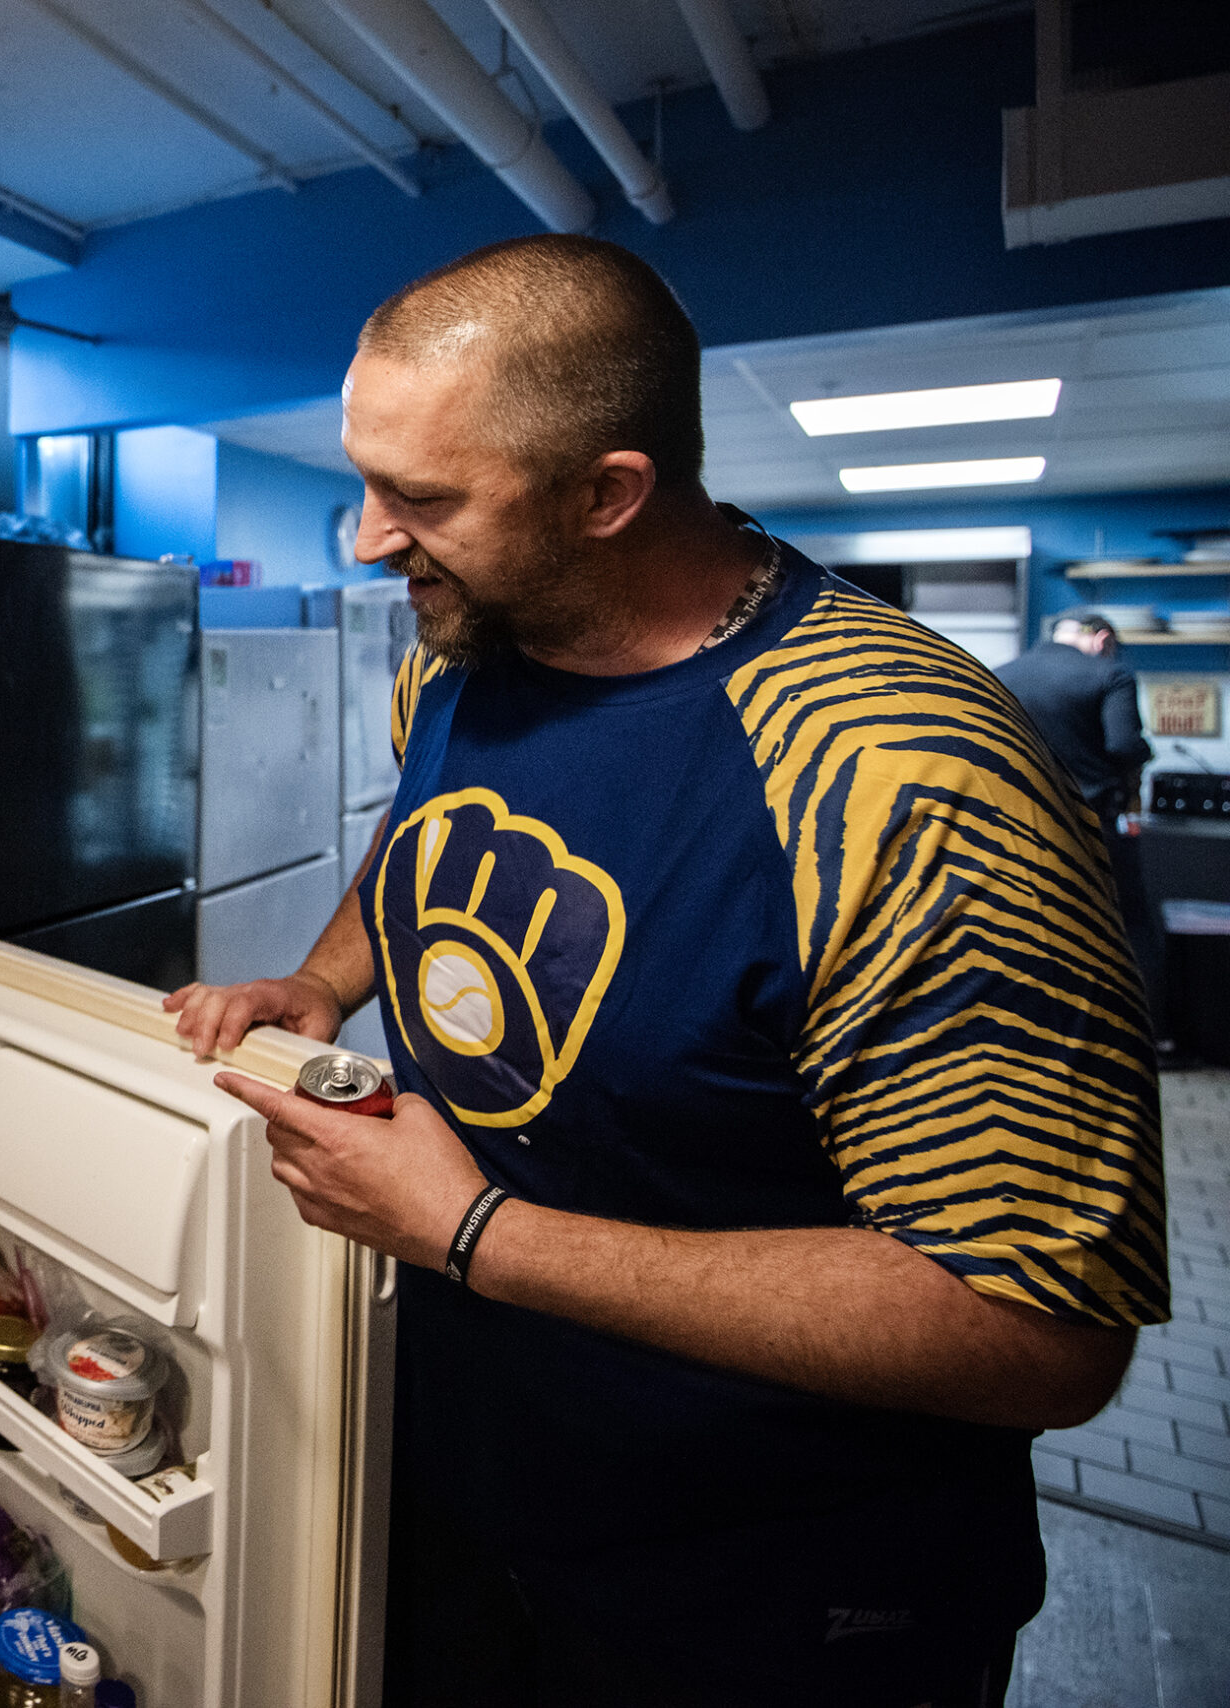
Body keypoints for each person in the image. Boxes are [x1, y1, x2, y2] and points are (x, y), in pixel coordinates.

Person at [163, 235, 1165, 1708]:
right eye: (366, 482)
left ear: (607, 495)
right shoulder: (461, 650)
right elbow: (428, 838)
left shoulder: (903, 775)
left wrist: (475, 1233)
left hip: (768, 1596)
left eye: (423, 500)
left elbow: (1036, 1323)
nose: (367, 541)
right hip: (475, 1498)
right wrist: (325, 985)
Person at [998, 612, 1164, 1020]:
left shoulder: (1000, 674)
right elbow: (1124, 744)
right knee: (1129, 923)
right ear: (1103, 638)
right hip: (1091, 828)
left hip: (1013, 827)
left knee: (1027, 924)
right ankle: (1152, 1030)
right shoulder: (1109, 674)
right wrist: (1145, 753)